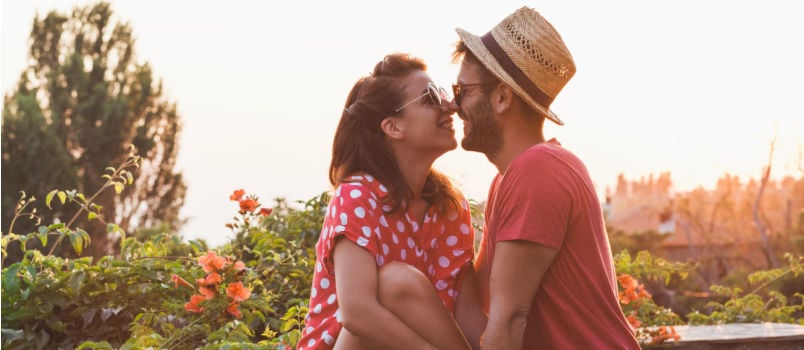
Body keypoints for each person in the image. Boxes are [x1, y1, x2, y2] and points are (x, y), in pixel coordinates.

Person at [450, 7, 640, 349]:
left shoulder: (537, 170)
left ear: (502, 97)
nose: (453, 104)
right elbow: (476, 300)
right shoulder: (512, 178)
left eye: (463, 90)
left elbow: (508, 319)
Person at [298, 53, 486, 350]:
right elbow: (358, 314)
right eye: (430, 98)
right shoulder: (358, 195)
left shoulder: (449, 206)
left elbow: (468, 314)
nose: (449, 105)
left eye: (442, 94)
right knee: (397, 282)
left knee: (400, 283)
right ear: (393, 127)